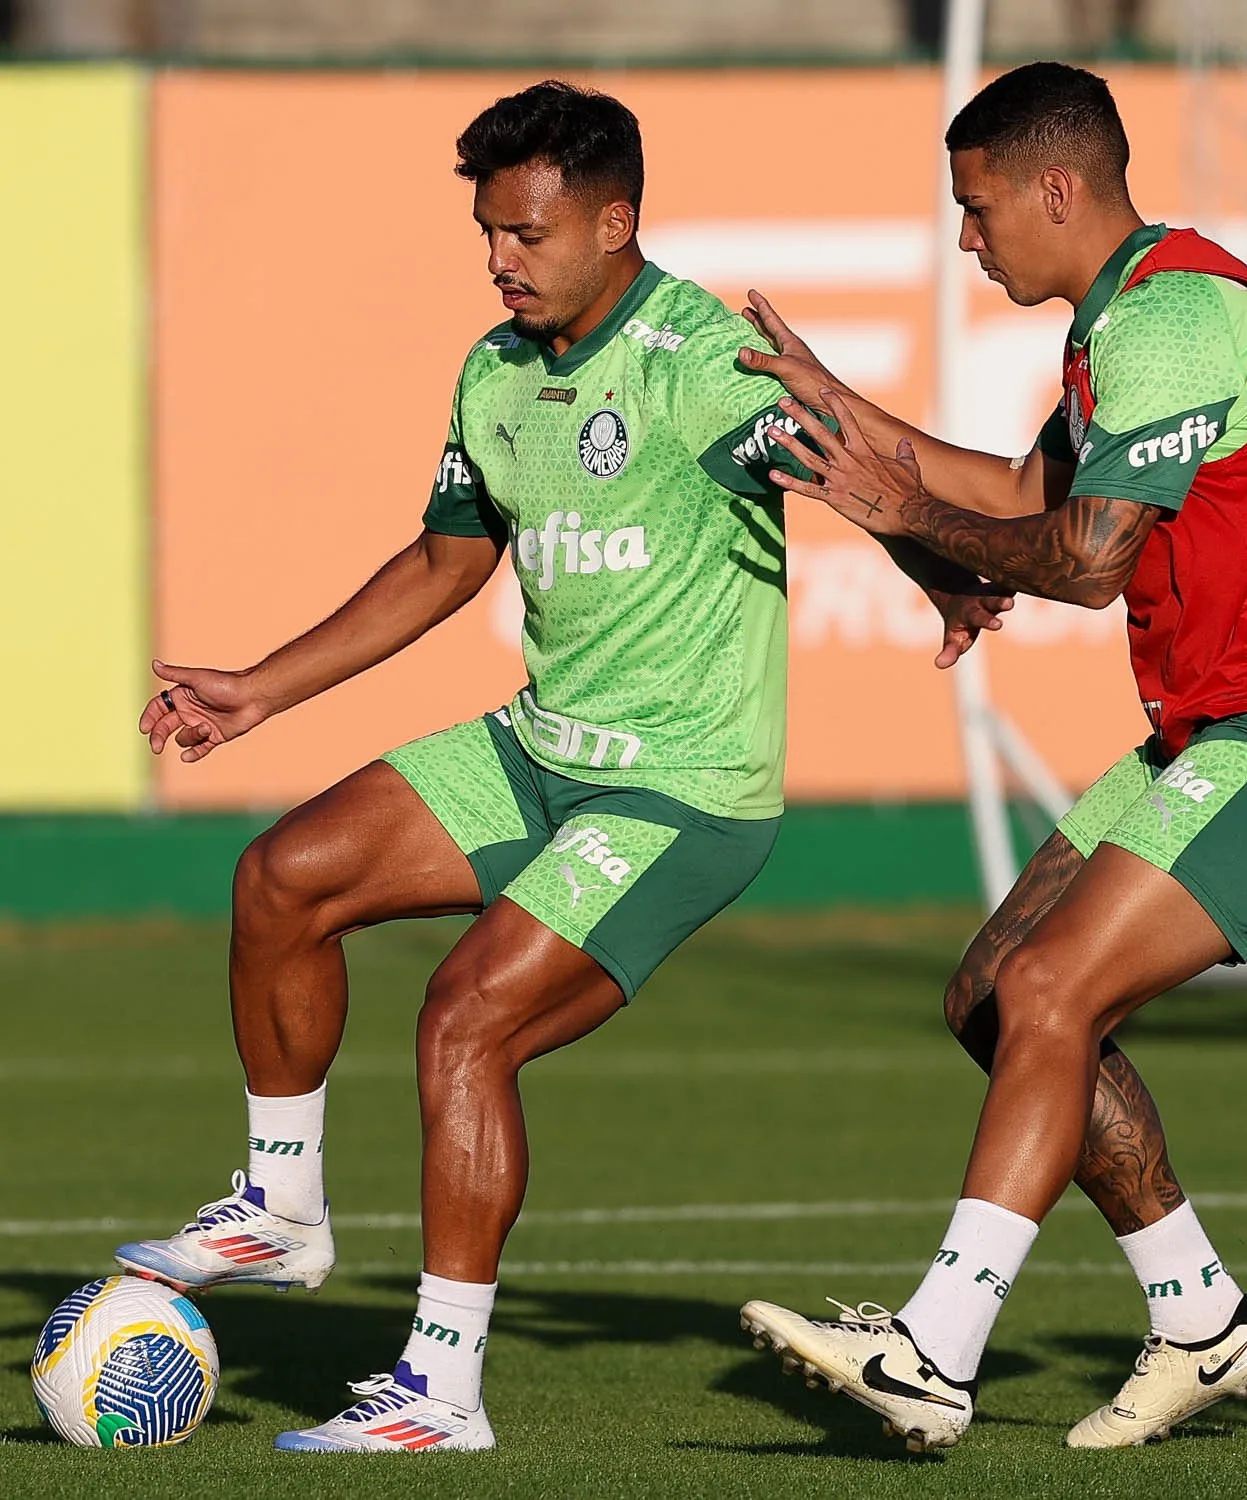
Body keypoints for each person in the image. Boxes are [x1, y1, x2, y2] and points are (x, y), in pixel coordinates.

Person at [112, 79, 995, 1455]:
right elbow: (446, 564)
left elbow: (840, 463)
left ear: (615, 222)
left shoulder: (699, 357)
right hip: (539, 752)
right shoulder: (495, 370)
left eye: (526, 230)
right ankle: (281, 1215)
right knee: (282, 877)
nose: (500, 257)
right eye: (488, 230)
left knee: (466, 1019)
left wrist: (939, 565)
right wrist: (260, 692)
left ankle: (439, 1396)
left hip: (679, 789)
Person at [737, 60, 1247, 1452]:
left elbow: (1090, 562)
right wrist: (848, 412)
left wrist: (885, 499)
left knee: (1052, 985)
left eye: (979, 209)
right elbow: (1019, 496)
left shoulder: (1174, 319)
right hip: (1217, 728)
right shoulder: (1120, 324)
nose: (966, 237)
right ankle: (1201, 1319)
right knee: (995, 997)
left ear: (1059, 188)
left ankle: (933, 1353)